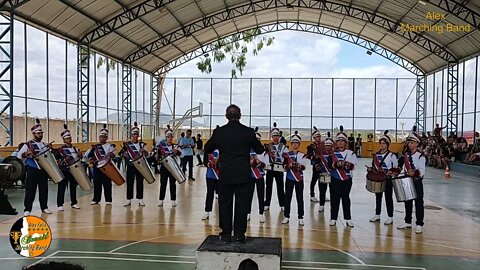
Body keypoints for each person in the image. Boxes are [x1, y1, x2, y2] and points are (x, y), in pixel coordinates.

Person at [204, 104, 264, 243]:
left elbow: (207, 148)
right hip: (243, 174)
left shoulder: (220, 132)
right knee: (242, 204)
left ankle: (225, 234)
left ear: (226, 116)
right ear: (240, 115)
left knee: (224, 204)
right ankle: (239, 235)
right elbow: (260, 150)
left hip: (225, 174)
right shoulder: (248, 132)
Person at [17, 119, 53, 216]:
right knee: (30, 190)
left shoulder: (45, 144)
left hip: (43, 170)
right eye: (38, 133)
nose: (40, 135)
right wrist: (27, 153)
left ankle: (44, 207)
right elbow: (19, 155)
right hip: (32, 169)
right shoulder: (27, 144)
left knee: (43, 189)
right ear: (34, 134)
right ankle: (27, 209)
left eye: (41, 133)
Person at [397, 130, 426, 234]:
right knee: (407, 201)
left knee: (418, 202)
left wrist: (414, 172)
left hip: (416, 181)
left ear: (417, 144)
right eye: (409, 142)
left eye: (412, 142)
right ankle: (407, 221)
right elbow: (399, 166)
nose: (410, 144)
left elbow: (422, 171)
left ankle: (419, 224)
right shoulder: (405, 155)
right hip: (406, 180)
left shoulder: (420, 156)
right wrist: (395, 170)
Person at [368, 130, 399, 225]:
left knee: (388, 198)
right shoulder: (376, 155)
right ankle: (377, 214)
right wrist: (370, 169)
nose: (382, 145)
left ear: (387, 144)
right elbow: (374, 167)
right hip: (378, 179)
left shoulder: (392, 155)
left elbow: (397, 169)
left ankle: (390, 217)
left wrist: (392, 172)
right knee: (378, 197)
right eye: (380, 143)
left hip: (388, 179)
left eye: (384, 143)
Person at [329, 126, 357, 227]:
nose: (340, 142)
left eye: (342, 141)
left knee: (346, 198)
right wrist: (337, 165)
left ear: (346, 142)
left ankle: (348, 218)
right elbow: (329, 165)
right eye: (338, 141)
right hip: (335, 178)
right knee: (334, 198)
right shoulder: (332, 153)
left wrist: (347, 165)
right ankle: (333, 218)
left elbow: (354, 166)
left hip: (347, 179)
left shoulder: (351, 153)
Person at [282, 131, 306, 226]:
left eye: (297, 143)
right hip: (289, 178)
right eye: (293, 143)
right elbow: (284, 166)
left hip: (299, 179)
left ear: (299, 144)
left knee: (300, 198)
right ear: (291, 144)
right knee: (288, 197)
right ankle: (286, 216)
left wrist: (300, 166)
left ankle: (300, 217)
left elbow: (304, 167)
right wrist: (289, 165)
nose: (295, 144)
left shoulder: (302, 155)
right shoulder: (287, 155)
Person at [87, 124, 116, 205]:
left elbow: (114, 155)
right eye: (101, 137)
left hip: (107, 168)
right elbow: (90, 156)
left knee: (107, 183)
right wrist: (91, 160)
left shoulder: (110, 146)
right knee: (97, 183)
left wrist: (111, 154)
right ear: (99, 138)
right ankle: (96, 199)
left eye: (104, 137)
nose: (102, 138)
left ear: (106, 138)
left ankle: (108, 200)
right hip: (97, 168)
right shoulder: (95, 147)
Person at [121, 122, 148, 207]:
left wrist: (145, 151)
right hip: (130, 165)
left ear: (138, 135)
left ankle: (140, 199)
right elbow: (120, 153)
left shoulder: (142, 144)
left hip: (140, 166)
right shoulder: (127, 144)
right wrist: (124, 155)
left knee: (140, 182)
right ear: (132, 135)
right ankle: (128, 199)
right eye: (134, 134)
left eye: (137, 134)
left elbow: (148, 155)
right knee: (130, 182)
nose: (135, 136)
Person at [55, 124, 82, 211]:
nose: (69, 140)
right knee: (62, 187)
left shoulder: (75, 149)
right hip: (64, 170)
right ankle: (60, 204)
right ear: (63, 140)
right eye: (67, 138)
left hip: (73, 171)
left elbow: (80, 159)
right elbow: (56, 159)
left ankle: (74, 202)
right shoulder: (60, 150)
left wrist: (80, 156)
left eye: (69, 138)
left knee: (73, 186)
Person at [263, 122, 289, 212]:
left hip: (279, 169)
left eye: (277, 135)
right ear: (272, 137)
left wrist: (286, 165)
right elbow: (264, 156)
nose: (275, 137)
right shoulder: (268, 146)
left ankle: (282, 204)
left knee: (280, 187)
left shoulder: (284, 146)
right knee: (268, 187)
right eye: (274, 136)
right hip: (270, 169)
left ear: (279, 136)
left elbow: (286, 157)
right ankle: (267, 204)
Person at [156, 126, 182, 207]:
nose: (170, 139)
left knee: (172, 184)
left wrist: (177, 152)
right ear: (166, 138)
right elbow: (157, 157)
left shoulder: (176, 146)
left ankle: (173, 200)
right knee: (163, 184)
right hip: (164, 167)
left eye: (171, 137)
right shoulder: (161, 147)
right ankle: (161, 200)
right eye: (168, 137)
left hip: (173, 168)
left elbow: (182, 155)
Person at [247, 128, 267, 223]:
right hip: (250, 175)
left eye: (258, 140)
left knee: (261, 195)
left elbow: (266, 165)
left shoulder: (263, 151)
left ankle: (261, 213)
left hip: (260, 176)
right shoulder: (247, 150)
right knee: (249, 195)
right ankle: (248, 213)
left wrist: (259, 163)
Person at [306, 126, 324, 203]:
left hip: (323, 165)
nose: (319, 138)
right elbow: (308, 155)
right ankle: (312, 195)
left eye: (319, 136)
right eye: (317, 137)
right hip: (316, 165)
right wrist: (313, 157)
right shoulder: (311, 146)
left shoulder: (323, 145)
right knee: (314, 180)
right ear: (314, 138)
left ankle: (322, 195)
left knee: (322, 181)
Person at [201, 146, 219, 220]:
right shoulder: (208, 148)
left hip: (221, 175)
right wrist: (209, 164)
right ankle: (207, 211)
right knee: (210, 193)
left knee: (223, 194)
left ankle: (223, 213)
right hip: (210, 175)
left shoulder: (224, 147)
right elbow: (205, 162)